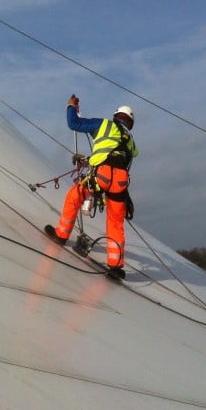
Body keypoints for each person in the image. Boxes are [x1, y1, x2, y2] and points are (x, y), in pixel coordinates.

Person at [45, 95, 138, 280]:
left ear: (116, 116)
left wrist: (71, 106)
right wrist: (89, 159)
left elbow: (74, 123)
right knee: (115, 222)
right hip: (120, 182)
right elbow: (120, 153)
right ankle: (116, 267)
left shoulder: (104, 125)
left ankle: (61, 235)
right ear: (130, 123)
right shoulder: (131, 141)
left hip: (102, 174)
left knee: (75, 196)